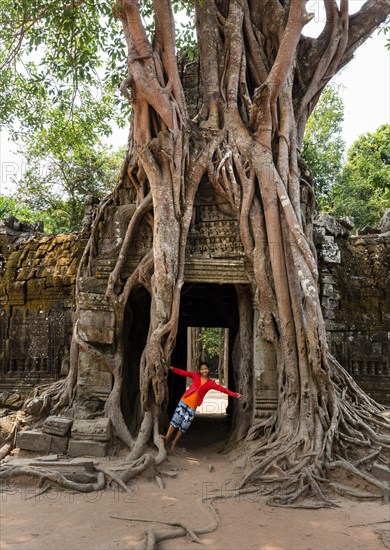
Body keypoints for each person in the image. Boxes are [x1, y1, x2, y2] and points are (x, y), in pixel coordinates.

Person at [161, 361, 244, 452]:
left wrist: (235, 395)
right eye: (202, 369)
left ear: (208, 370)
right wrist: (171, 368)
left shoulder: (210, 383)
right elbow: (183, 373)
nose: (204, 370)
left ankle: (174, 442)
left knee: (184, 425)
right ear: (200, 370)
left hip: (193, 407)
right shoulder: (195, 376)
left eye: (205, 369)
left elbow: (222, 389)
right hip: (184, 401)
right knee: (175, 420)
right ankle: (167, 437)